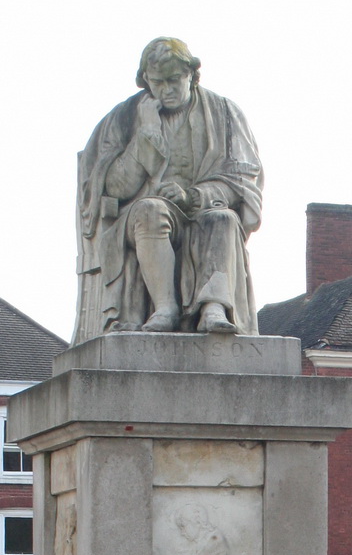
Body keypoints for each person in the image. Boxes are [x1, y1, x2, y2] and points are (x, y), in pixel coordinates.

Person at [73, 37, 263, 343]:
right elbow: (113, 188)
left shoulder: (225, 113)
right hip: (140, 220)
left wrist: (196, 196)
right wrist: (145, 135)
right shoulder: (124, 118)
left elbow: (243, 178)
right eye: (157, 82)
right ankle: (165, 308)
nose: (166, 90)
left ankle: (213, 307)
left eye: (175, 80)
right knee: (150, 211)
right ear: (145, 80)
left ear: (192, 74)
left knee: (224, 219)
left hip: (204, 208)